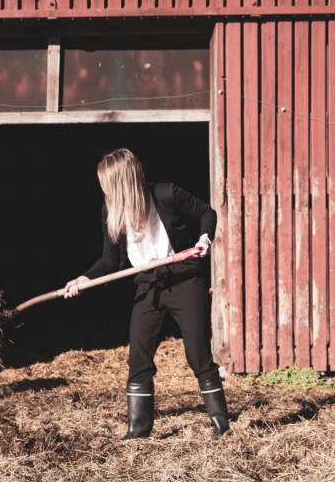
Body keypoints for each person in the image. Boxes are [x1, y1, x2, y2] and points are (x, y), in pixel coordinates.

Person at [64, 148, 230, 440]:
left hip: (184, 280)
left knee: (198, 353)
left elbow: (207, 212)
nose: (105, 192)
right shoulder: (111, 213)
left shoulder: (166, 194)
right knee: (138, 356)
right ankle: (138, 430)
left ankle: (221, 425)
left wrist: (205, 238)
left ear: (122, 183)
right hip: (147, 284)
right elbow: (110, 260)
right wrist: (84, 278)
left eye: (108, 186)